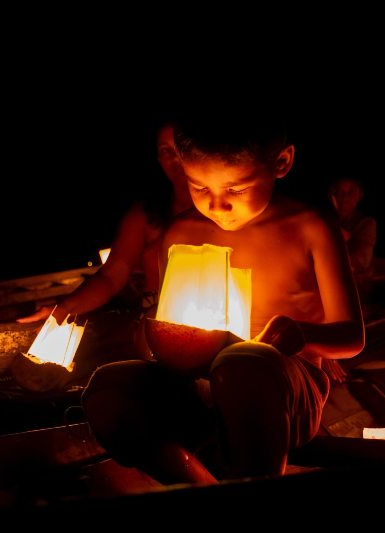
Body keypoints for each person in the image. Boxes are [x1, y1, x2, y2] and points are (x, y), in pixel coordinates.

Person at [82, 110, 364, 485]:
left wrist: (302, 334)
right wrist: (151, 339)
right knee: (109, 387)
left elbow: (352, 337)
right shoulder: (181, 233)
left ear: (281, 162)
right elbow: (167, 326)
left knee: (243, 363)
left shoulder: (309, 227)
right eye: (200, 188)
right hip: (197, 384)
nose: (217, 205)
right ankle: (198, 483)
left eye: (236, 189)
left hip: (282, 388)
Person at [18, 122, 193, 328]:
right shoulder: (144, 215)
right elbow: (110, 277)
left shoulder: (221, 211)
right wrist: (63, 309)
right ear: (158, 159)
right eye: (166, 150)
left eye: (182, 147)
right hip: (156, 327)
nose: (176, 158)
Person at [328, 176, 376, 292]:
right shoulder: (323, 221)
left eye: (350, 192)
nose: (344, 197)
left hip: (358, 287)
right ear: (331, 195)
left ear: (360, 195)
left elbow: (362, 260)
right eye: (339, 192)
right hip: (328, 285)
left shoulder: (366, 223)